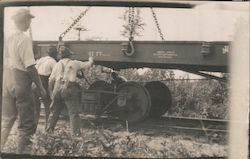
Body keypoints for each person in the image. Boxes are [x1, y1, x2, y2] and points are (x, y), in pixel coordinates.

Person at [1, 8, 46, 154]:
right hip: (20, 80)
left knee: (7, 120)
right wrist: (41, 87)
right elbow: (30, 66)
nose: (29, 23)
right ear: (25, 20)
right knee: (27, 124)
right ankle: (22, 154)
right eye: (29, 20)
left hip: (6, 80)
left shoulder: (6, 37)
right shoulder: (24, 38)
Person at [46, 46, 94, 137]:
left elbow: (51, 80)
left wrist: (51, 92)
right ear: (69, 55)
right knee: (73, 113)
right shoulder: (74, 63)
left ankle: (49, 131)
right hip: (69, 88)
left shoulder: (57, 64)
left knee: (54, 111)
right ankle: (75, 134)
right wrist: (91, 60)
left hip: (57, 87)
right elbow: (87, 65)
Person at [33, 46, 57, 129]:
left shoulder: (41, 59)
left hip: (35, 84)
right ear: (55, 54)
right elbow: (54, 76)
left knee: (36, 107)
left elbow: (34, 69)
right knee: (48, 105)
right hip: (44, 83)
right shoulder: (53, 62)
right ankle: (47, 126)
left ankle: (34, 127)